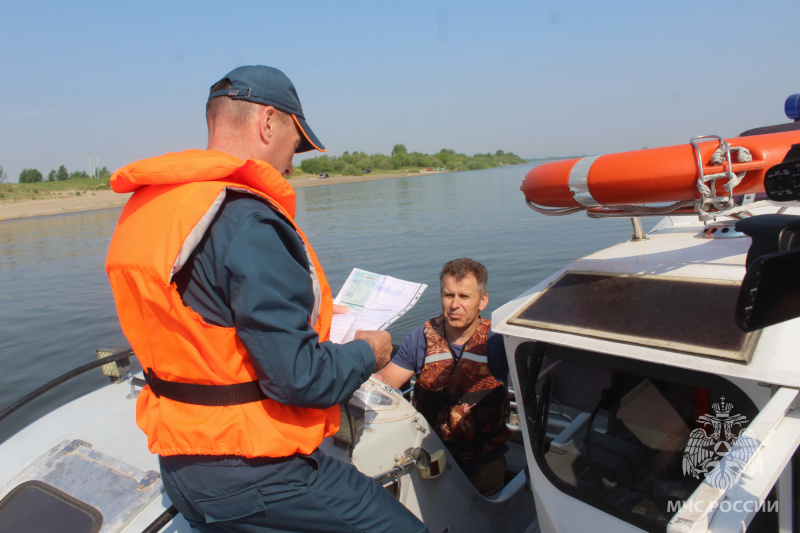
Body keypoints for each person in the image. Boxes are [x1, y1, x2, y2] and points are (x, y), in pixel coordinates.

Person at [105, 65, 426, 533]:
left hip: (179, 467)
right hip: (257, 473)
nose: (293, 163)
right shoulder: (247, 220)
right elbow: (300, 379)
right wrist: (368, 351)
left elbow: (206, 328)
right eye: (296, 145)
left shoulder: (148, 209)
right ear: (268, 123)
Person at [374, 258, 512, 496]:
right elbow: (388, 379)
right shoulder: (422, 337)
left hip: (484, 464)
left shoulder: (497, 340)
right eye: (449, 295)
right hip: (431, 458)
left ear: (483, 300)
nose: (454, 305)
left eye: (464, 296)